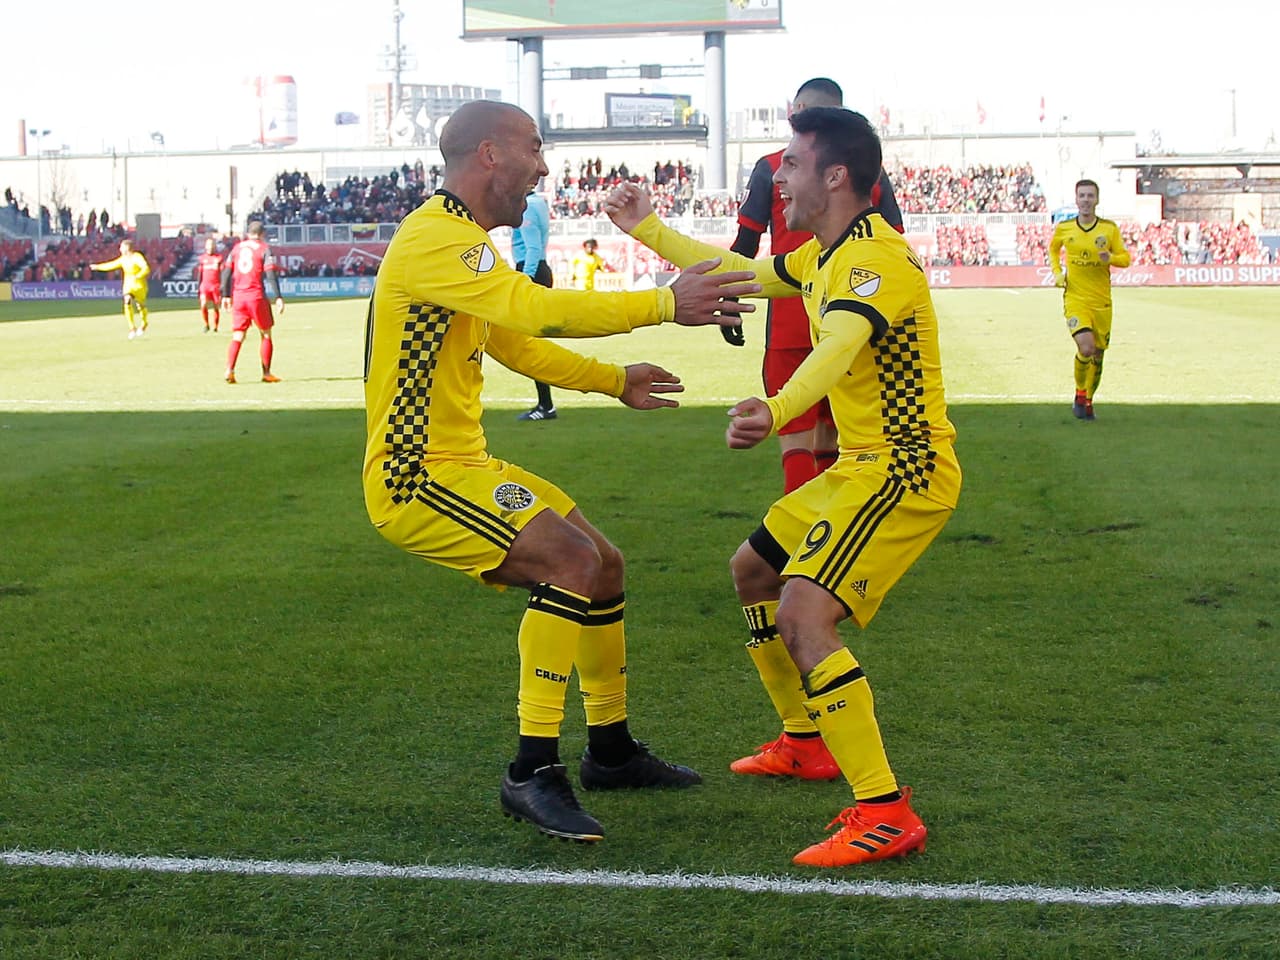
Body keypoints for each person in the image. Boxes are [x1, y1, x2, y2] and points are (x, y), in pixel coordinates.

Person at [362, 99, 760, 843]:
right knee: (571, 563)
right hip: (414, 476)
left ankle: (609, 751)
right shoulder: (434, 241)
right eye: (534, 149)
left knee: (603, 565)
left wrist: (614, 381)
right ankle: (530, 773)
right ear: (489, 155)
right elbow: (536, 312)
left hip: (461, 464)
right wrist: (663, 304)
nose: (543, 167)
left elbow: (516, 343)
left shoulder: (463, 242)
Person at [606, 107, 960, 867]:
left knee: (804, 614)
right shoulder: (823, 253)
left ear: (835, 176)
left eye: (791, 163)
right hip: (861, 466)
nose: (778, 174)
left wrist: (775, 409)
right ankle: (805, 741)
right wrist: (647, 227)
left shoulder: (877, 260)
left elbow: (837, 349)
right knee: (754, 571)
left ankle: (885, 809)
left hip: (903, 467)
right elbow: (743, 274)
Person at [725, 78, 904, 501]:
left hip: (790, 318)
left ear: (798, 109)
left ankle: (797, 548)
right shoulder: (868, 172)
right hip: (851, 316)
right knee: (832, 443)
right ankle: (826, 542)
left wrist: (729, 299)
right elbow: (895, 238)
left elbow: (745, 244)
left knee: (795, 438)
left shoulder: (771, 166)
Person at [1049, 179, 1131, 421]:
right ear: (1076, 199)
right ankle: (1079, 393)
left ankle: (1089, 400)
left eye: (1090, 196)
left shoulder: (1109, 229)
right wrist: (1057, 272)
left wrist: (1111, 258)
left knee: (1098, 355)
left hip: (1102, 302)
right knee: (1085, 347)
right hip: (1075, 298)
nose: (1085, 200)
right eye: (1082, 195)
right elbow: (1053, 249)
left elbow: (1126, 258)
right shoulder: (1065, 228)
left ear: (1097, 199)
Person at [512, 185, 557, 421]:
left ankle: (546, 405)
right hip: (540, 269)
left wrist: (525, 280)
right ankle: (545, 404)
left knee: (530, 344)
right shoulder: (540, 203)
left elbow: (532, 247)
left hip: (532, 270)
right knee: (531, 342)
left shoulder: (527, 208)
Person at [220, 221, 284, 383]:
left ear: (248, 233)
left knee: (238, 335)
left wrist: (226, 296)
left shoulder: (236, 249)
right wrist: (278, 297)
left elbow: (226, 273)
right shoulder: (264, 248)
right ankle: (266, 373)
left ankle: (230, 369)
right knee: (266, 334)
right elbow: (270, 274)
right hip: (255, 295)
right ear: (262, 234)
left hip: (239, 296)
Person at [90, 238, 151, 339]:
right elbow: (111, 264)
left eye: (121, 247)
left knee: (140, 306)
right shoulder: (123, 259)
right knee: (127, 301)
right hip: (128, 285)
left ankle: (144, 323)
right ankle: (132, 328)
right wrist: (97, 267)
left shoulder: (137, 257)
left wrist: (138, 275)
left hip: (139, 285)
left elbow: (146, 268)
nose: (120, 249)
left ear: (127, 248)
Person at [195, 236, 224, 332]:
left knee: (216, 306)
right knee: (203, 304)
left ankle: (215, 327)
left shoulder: (219, 258)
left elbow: (222, 273)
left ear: (215, 246)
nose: (210, 247)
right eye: (208, 245)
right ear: (206, 247)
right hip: (205, 286)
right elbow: (200, 274)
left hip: (215, 286)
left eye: (212, 245)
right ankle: (206, 324)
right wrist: (198, 287)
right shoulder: (202, 259)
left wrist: (222, 286)